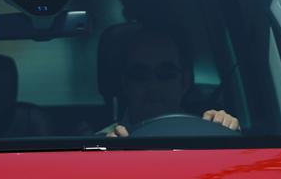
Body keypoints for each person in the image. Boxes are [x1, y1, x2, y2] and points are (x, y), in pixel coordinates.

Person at [100, 26, 240, 137]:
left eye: (166, 75)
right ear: (125, 83)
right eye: (140, 75)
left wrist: (227, 133)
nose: (153, 86)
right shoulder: (100, 144)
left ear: (185, 82)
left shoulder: (210, 135)